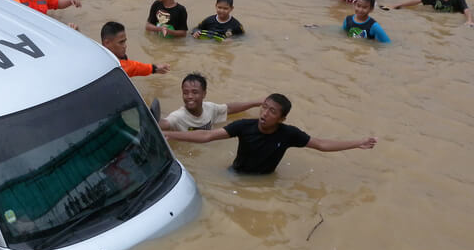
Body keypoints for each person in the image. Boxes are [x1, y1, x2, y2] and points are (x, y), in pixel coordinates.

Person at [162, 93, 377, 175]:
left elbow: (320, 144)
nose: (264, 113)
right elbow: (207, 136)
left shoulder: (289, 134)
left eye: (272, 111)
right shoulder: (245, 126)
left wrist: (357, 143)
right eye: (264, 107)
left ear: (282, 118)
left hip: (266, 179)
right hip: (236, 175)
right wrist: (171, 136)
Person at [158, 73, 263, 132]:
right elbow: (166, 123)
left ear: (204, 94)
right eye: (185, 93)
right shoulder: (178, 117)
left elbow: (229, 108)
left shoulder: (210, 108)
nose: (189, 96)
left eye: (195, 92)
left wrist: (255, 103)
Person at [100, 21, 169, 77]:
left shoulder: (95, 52)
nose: (125, 46)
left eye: (124, 41)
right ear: (107, 43)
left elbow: (133, 66)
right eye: (121, 42)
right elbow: (132, 67)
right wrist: (153, 68)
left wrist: (153, 68)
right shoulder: (118, 69)